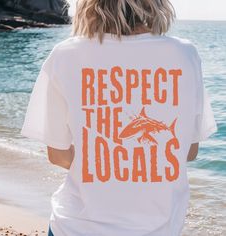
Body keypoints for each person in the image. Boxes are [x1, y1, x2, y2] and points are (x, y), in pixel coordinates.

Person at [20, 0, 218, 235]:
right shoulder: (185, 54)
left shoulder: (64, 55)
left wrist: (103, 163)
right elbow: (188, 151)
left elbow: (57, 155)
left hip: (74, 227)